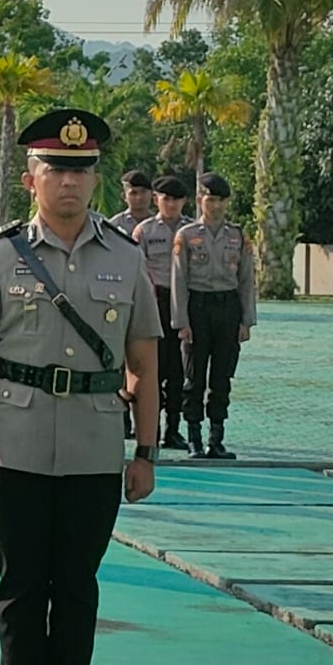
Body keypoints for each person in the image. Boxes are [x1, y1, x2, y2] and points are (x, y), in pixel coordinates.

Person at [0, 107, 160, 665]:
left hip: (94, 449)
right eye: (55, 169)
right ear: (31, 179)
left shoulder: (126, 255)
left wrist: (146, 452)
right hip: (13, 449)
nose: (68, 181)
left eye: (81, 170)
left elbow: (144, 362)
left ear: (96, 178)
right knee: (20, 590)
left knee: (77, 588)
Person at [170, 173, 256, 460]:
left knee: (222, 376)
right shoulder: (187, 235)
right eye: (210, 199)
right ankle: (193, 437)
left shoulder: (238, 235)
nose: (215, 206)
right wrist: (181, 322)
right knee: (194, 376)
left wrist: (246, 321)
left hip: (227, 307)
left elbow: (246, 280)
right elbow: (179, 281)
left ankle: (215, 440)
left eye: (220, 200)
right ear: (200, 200)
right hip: (198, 307)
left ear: (226, 202)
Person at [132, 175, 193, 450]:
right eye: (165, 198)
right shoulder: (144, 232)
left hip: (185, 305)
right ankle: (151, 431)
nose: (171, 204)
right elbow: (137, 270)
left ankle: (173, 430)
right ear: (156, 199)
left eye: (176, 199)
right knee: (151, 370)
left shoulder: (192, 230)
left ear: (184, 201)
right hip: (154, 302)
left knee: (179, 370)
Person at [109, 170, 154, 235]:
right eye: (133, 193)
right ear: (124, 196)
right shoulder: (115, 225)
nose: (139, 197)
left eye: (143, 191)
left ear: (152, 194)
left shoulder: (162, 223)